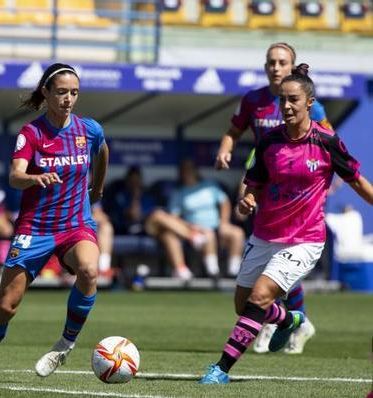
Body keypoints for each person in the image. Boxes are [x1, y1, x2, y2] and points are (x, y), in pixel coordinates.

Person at [199, 64, 373, 385]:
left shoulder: (327, 142)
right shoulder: (268, 141)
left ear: (310, 103)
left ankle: (220, 369)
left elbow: (357, 181)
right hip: (266, 234)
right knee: (243, 306)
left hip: (305, 239)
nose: (287, 106)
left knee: (260, 297)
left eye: (293, 100)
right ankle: (290, 318)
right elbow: (254, 182)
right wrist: (248, 198)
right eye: (282, 100)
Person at [0, 63, 109, 383]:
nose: (69, 99)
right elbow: (14, 177)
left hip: (75, 224)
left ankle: (66, 344)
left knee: (89, 270)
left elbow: (103, 151)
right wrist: (33, 177)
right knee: (6, 306)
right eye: (61, 92)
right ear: (46, 92)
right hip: (36, 228)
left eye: (74, 93)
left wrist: (97, 187)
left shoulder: (90, 130)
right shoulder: (32, 133)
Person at [214, 42, 331, 354]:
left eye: (281, 62)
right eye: (270, 62)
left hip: (297, 190)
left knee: (284, 258)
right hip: (264, 181)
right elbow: (234, 131)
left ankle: (283, 320)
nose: (275, 67)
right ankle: (286, 319)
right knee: (273, 257)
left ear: (292, 66)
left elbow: (327, 142)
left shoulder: (309, 105)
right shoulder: (254, 100)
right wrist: (226, 148)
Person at [146, 159, 244, 280]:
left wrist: (224, 222)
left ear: (196, 170)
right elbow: (173, 218)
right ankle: (213, 272)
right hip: (194, 227)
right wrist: (190, 226)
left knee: (237, 233)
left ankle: (233, 272)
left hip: (216, 225)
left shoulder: (209, 185)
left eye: (190, 168)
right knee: (207, 234)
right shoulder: (179, 192)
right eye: (184, 170)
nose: (187, 172)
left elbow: (224, 202)